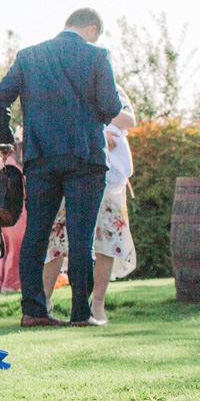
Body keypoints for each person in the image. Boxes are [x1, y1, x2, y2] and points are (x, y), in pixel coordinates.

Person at [0, 8, 123, 327]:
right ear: (91, 29)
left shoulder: (29, 56)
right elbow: (111, 107)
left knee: (36, 234)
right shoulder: (96, 55)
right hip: (85, 156)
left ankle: (33, 311)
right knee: (81, 236)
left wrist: (6, 141)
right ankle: (81, 313)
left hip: (39, 157)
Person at [42, 86, 137, 325]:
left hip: (110, 180)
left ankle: (97, 304)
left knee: (107, 239)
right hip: (75, 171)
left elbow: (129, 119)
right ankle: (43, 301)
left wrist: (96, 120)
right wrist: (97, 131)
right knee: (59, 238)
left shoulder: (112, 88)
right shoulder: (69, 83)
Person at [0, 135, 26, 294]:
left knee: (4, 249)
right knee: (16, 248)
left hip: (0, 214)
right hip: (14, 213)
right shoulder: (14, 169)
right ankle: (10, 284)